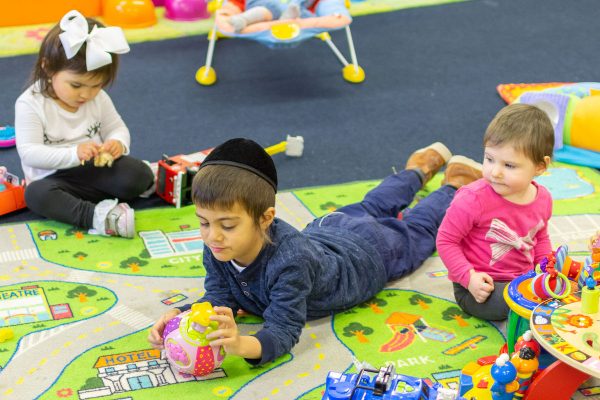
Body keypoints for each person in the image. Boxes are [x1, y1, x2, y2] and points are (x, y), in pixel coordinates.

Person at [148, 137, 482, 365]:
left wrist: (239, 345)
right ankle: (419, 169)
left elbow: (282, 331)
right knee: (372, 205)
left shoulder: (289, 262)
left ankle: (455, 184)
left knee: (417, 230)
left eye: (227, 225)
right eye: (203, 223)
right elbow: (219, 297)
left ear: (265, 219)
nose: (212, 236)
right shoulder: (218, 245)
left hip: (369, 254)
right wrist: (182, 316)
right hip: (327, 228)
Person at [15, 10, 155, 238]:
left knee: (140, 174)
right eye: (76, 85)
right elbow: (30, 153)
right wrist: (75, 153)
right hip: (52, 178)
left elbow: (116, 128)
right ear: (48, 67)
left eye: (96, 85)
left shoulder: (98, 99)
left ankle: (93, 201)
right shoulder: (30, 104)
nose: (86, 94)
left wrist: (117, 143)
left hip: (93, 171)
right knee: (36, 195)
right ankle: (97, 218)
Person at [436, 103, 555, 321]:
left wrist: (547, 268)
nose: (495, 172)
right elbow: (446, 241)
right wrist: (469, 278)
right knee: (522, 306)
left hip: (523, 279)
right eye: (489, 159)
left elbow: (541, 237)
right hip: (480, 287)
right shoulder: (472, 199)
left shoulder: (543, 198)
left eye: (509, 165)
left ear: (540, 167)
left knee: (558, 291)